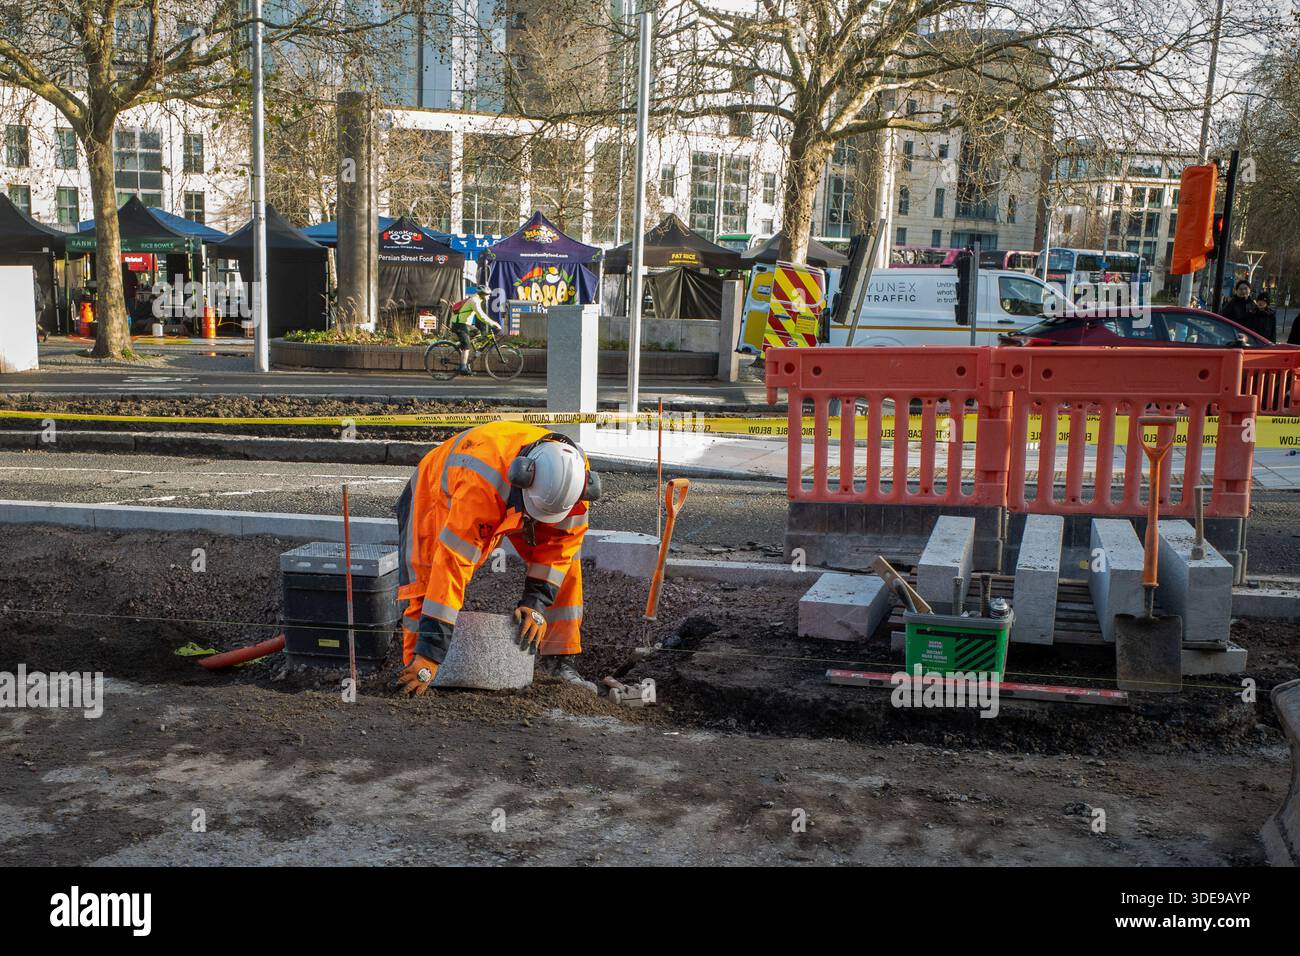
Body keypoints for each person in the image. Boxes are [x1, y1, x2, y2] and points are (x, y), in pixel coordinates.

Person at [393, 422, 602, 697]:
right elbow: (452, 567)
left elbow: (560, 547)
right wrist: (431, 653)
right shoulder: (480, 486)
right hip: (435, 492)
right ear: (522, 478)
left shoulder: (573, 478)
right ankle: (416, 667)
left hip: (518, 492)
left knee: (566, 565)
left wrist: (536, 603)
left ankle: (561, 662)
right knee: (425, 578)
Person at [448, 285, 501, 375]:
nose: (489, 297)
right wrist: (494, 323)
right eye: (488, 295)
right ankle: (463, 367)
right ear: (483, 295)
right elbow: (481, 316)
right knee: (467, 345)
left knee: (477, 332)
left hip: (465, 324)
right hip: (459, 324)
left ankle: (462, 345)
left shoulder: (476, 299)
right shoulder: (474, 301)